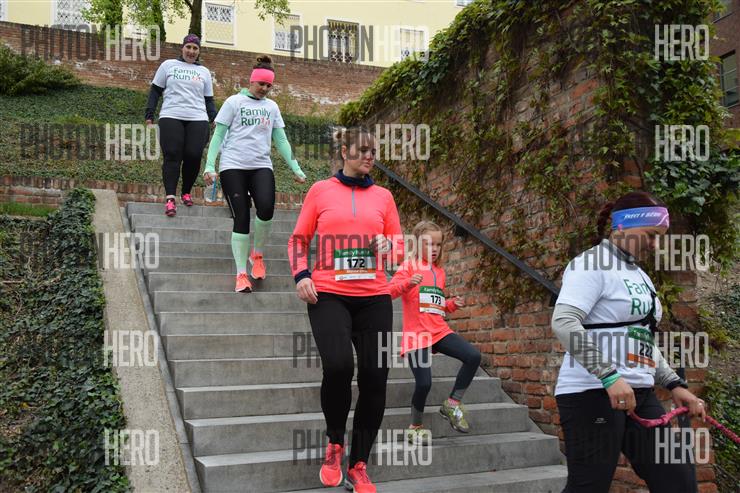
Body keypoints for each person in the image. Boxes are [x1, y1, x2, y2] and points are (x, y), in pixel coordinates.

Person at [551, 191, 706, 493]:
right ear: (622, 226)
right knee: (589, 487)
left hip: (640, 393)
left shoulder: (640, 275)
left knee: (679, 482)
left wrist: (674, 384)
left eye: (659, 237)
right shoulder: (591, 264)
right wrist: (609, 376)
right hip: (591, 393)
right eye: (650, 235)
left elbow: (642, 336)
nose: (655, 245)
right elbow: (564, 322)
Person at [287, 127, 404, 493]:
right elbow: (298, 240)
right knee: (338, 366)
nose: (370, 156)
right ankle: (334, 443)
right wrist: (301, 275)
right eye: (363, 150)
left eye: (374, 151)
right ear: (345, 152)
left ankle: (358, 464)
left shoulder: (384, 196)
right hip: (329, 295)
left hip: (374, 297)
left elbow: (399, 247)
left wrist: (389, 247)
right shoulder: (320, 191)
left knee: (376, 378)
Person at [204, 55, 306, 293]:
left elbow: (281, 140)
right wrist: (210, 166)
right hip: (233, 166)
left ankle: (257, 255)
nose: (265, 89)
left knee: (267, 209)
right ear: (251, 81)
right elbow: (218, 135)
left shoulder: (272, 107)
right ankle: (241, 274)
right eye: (261, 84)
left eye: (269, 85)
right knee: (241, 217)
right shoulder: (233, 102)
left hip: (261, 166)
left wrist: (296, 168)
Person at [388, 220, 480, 444]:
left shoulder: (440, 272)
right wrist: (408, 283)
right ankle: (415, 427)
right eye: (429, 244)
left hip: (438, 331)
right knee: (424, 383)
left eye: (438, 244)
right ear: (417, 244)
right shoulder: (408, 266)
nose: (435, 249)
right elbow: (389, 291)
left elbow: (434, 305)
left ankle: (452, 403)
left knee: (473, 356)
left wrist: (450, 305)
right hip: (416, 335)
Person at [146, 34, 216, 217]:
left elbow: (209, 99)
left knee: (194, 155)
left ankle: (186, 191)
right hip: (171, 115)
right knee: (172, 155)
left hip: (198, 117)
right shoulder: (168, 65)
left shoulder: (204, 72)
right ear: (182, 48)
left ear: (198, 51)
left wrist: (214, 118)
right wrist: (149, 114)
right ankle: (170, 198)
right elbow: (155, 91)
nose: (191, 51)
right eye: (188, 47)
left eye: (195, 48)